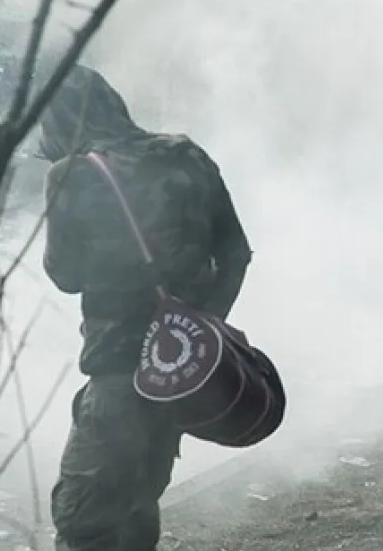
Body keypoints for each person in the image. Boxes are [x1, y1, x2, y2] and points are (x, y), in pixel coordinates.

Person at [40, 64, 253, 551]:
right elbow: (236, 252)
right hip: (185, 377)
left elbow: (65, 275)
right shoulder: (187, 155)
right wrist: (202, 329)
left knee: (82, 519)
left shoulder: (72, 173)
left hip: (120, 372)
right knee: (136, 505)